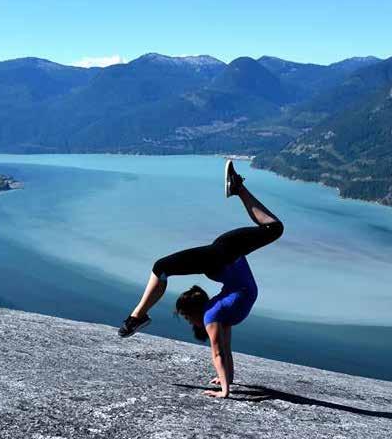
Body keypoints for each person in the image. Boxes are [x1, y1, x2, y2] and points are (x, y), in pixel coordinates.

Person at [118, 159, 284, 398]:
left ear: (194, 312)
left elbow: (219, 353)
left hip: (222, 255)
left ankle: (137, 317)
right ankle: (237, 188)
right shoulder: (218, 312)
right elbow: (223, 352)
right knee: (275, 228)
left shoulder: (214, 314)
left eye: (186, 317)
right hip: (226, 254)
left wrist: (224, 391)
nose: (188, 322)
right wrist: (226, 381)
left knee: (161, 267)